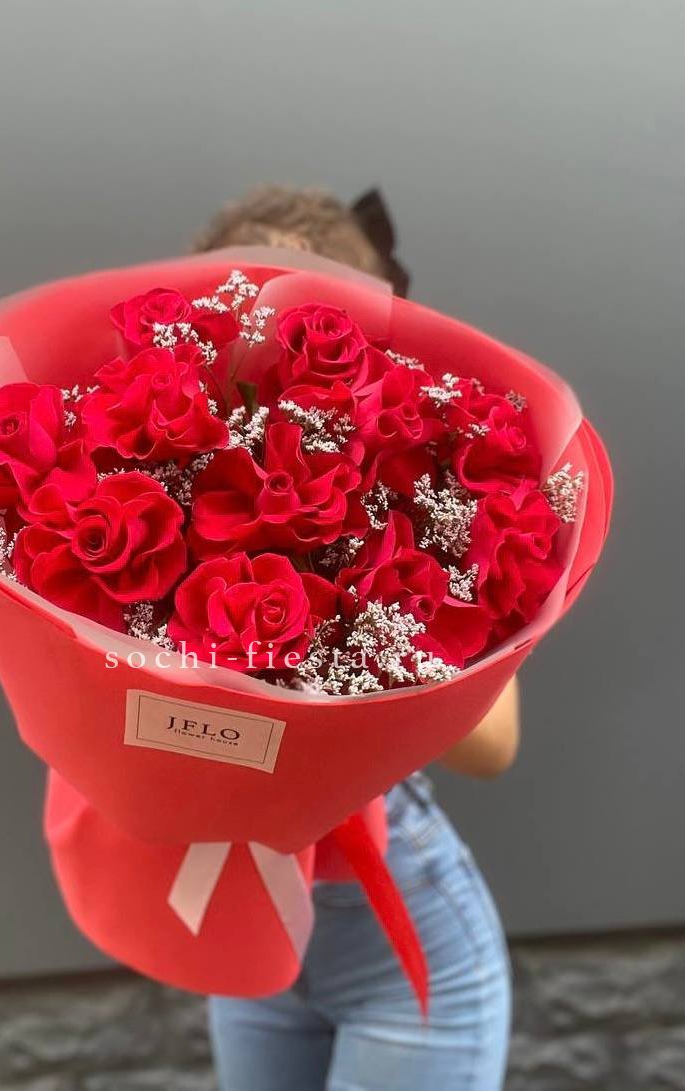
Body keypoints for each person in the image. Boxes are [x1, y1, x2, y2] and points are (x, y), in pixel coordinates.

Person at [194, 187, 518, 1091]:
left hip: (402, 935)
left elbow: (493, 745)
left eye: (309, 317)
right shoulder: (169, 472)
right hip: (256, 922)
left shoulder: (428, 487)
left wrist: (350, 637)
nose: (275, 345)